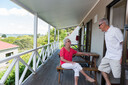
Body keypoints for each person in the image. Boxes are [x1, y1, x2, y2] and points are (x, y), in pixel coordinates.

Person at [98, 18, 123, 85]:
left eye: (99, 25)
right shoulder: (106, 33)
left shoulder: (115, 30)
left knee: (117, 75)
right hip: (108, 56)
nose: (99, 27)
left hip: (116, 57)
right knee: (101, 68)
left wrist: (122, 57)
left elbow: (123, 42)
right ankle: (108, 83)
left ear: (103, 24)